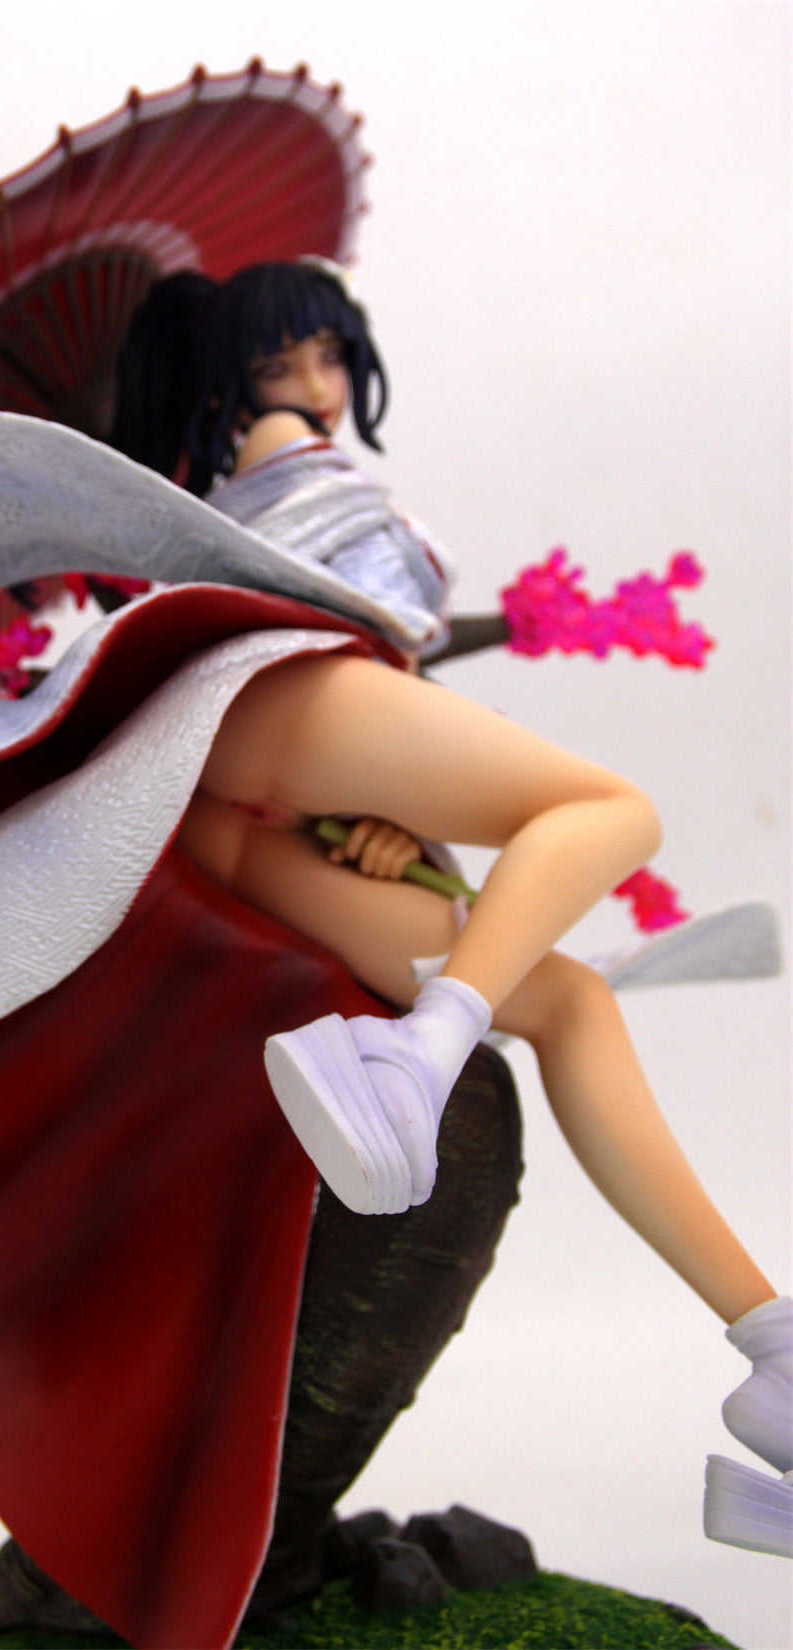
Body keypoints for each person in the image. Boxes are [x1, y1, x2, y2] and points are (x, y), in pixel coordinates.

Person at [110, 260, 792, 1556]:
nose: (311, 389)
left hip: (238, 821)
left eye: (327, 358)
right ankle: (413, 1061)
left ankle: (772, 1345)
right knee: (613, 810)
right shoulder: (280, 443)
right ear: (233, 385)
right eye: (277, 364)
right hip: (275, 711)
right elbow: (351, 606)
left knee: (569, 1002)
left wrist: (372, 812)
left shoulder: (223, 482)